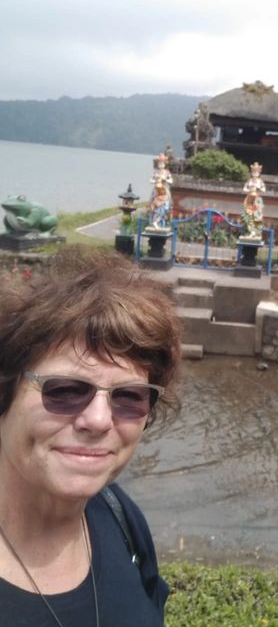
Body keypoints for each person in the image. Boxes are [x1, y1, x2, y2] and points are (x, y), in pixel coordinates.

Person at [0, 247, 181, 626]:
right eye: (65, 390)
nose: (98, 420)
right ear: (6, 394)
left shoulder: (120, 517)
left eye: (129, 397)